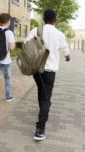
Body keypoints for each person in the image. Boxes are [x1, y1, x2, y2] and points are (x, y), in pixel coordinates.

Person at [25, 9, 70, 141]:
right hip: (49, 71)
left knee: (41, 91)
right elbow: (65, 50)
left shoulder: (35, 30)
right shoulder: (59, 34)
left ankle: (43, 113)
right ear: (55, 20)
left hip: (36, 69)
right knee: (46, 97)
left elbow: (26, 45)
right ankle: (40, 129)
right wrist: (67, 57)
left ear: (43, 18)